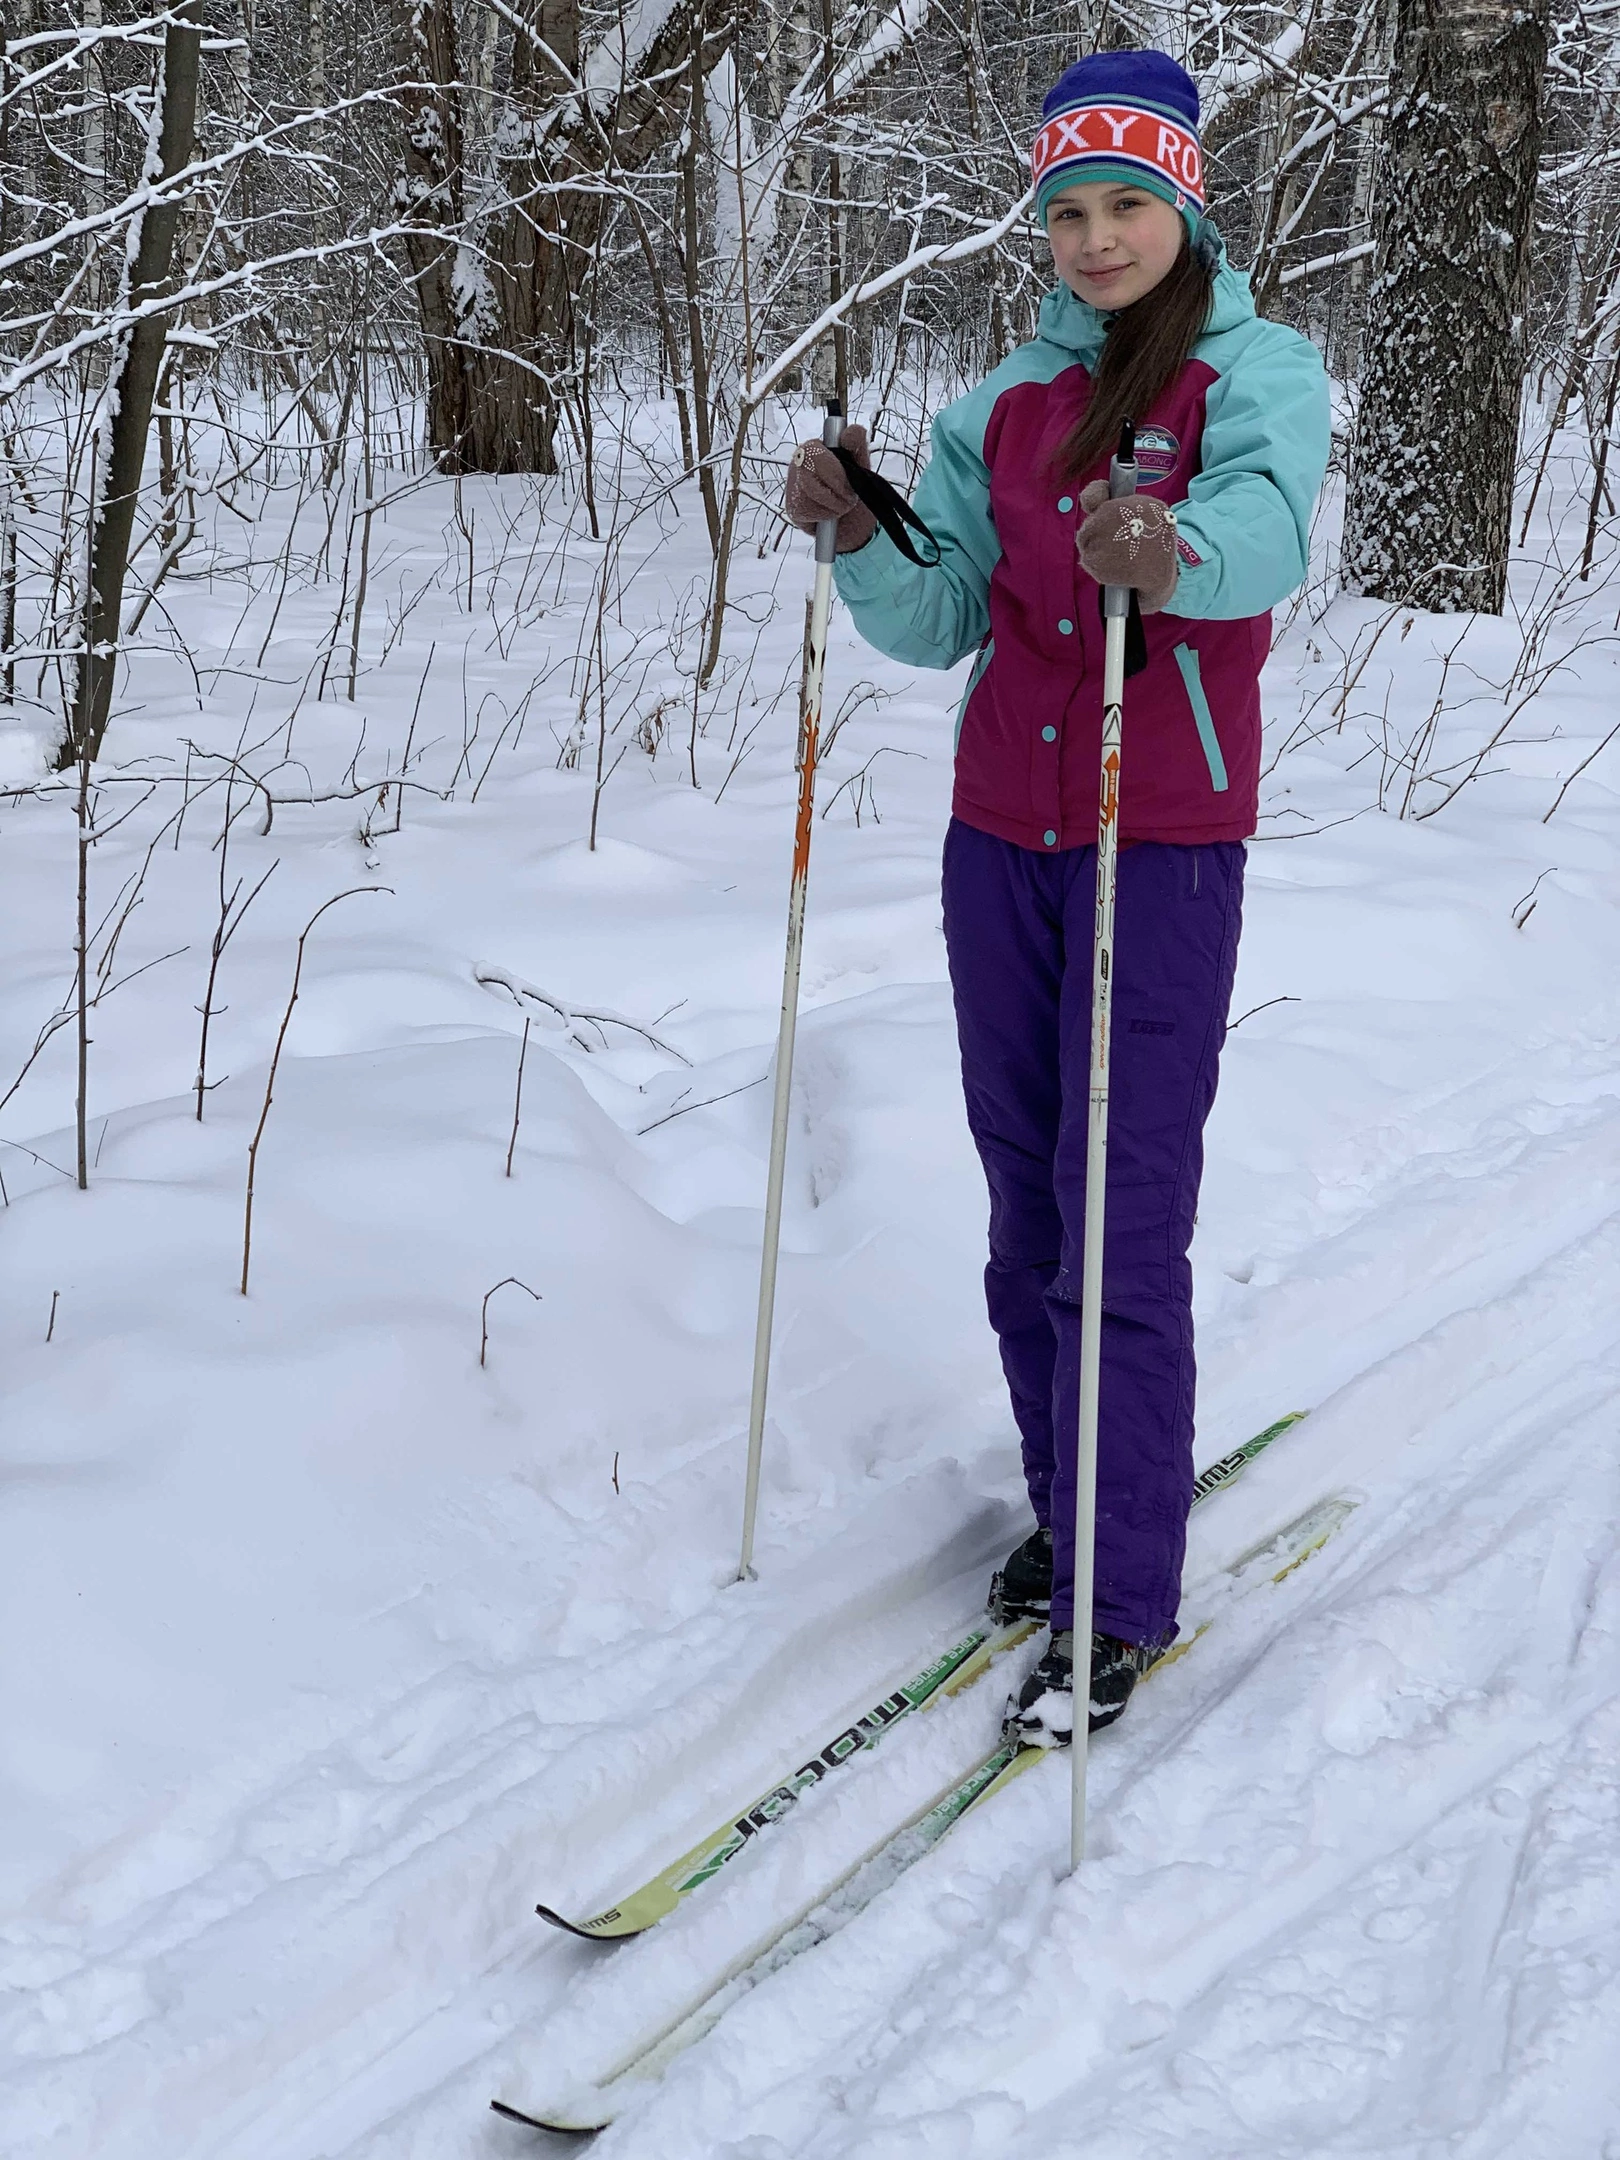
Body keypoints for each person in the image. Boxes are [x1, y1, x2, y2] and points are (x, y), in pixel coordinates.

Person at [782, 48, 1331, 1743]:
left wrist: (1170, 553)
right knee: (1029, 1195)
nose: (1095, 239)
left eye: (1128, 206)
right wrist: (861, 532)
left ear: (1186, 205)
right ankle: (1067, 1499)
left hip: (1153, 838)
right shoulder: (999, 406)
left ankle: (1122, 1587)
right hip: (1000, 836)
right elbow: (944, 612)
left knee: (1120, 1206)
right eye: (1069, 209)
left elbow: (1262, 532)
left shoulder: (1259, 372)